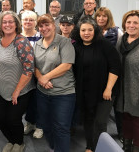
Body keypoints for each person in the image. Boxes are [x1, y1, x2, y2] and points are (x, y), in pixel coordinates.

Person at [71, 16, 121, 152]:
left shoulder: (104, 44)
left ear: (95, 30)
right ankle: (90, 146)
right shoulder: (75, 47)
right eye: (83, 30)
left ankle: (99, 147)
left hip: (105, 91)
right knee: (88, 119)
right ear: (78, 31)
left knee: (100, 122)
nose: (86, 33)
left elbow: (115, 66)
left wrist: (109, 88)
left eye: (90, 30)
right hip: (84, 91)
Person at [0, 11, 35, 152]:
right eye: (4, 22)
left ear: (16, 24)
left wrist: (17, 91)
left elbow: (29, 70)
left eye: (11, 21)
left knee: (13, 119)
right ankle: (11, 140)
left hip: (20, 90)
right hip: (0, 89)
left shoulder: (22, 42)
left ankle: (19, 142)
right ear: (0, 24)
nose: (7, 24)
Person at [34, 14, 76, 152]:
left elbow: (66, 65)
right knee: (45, 125)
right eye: (41, 26)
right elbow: (34, 67)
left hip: (63, 93)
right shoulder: (38, 44)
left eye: (47, 25)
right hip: (42, 93)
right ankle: (54, 147)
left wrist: (45, 77)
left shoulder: (64, 42)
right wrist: (41, 79)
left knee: (61, 127)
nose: (44, 28)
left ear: (54, 25)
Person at [115, 10, 139, 152]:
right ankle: (127, 149)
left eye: (135, 22)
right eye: (128, 22)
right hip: (124, 93)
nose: (131, 25)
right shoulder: (122, 40)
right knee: (126, 123)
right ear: (124, 24)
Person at [94, 6, 124, 142]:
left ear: (108, 17)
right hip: (96, 75)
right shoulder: (92, 30)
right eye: (99, 16)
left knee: (113, 108)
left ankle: (118, 135)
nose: (101, 18)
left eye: (104, 16)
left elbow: (119, 54)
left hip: (111, 74)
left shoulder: (117, 32)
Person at [20, 10, 43, 139]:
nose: (28, 22)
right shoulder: (17, 36)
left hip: (38, 73)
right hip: (22, 74)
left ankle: (40, 126)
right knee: (27, 101)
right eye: (25, 20)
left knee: (38, 101)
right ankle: (29, 123)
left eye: (31, 20)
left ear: (35, 22)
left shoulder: (41, 36)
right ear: (21, 22)